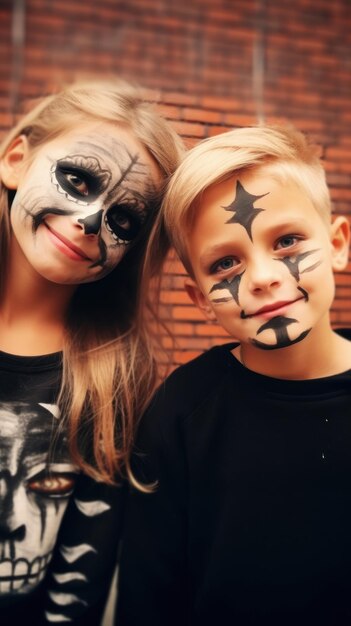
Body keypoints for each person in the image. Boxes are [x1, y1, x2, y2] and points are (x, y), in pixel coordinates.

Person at [116, 125, 351, 626]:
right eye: (225, 264)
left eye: (287, 240)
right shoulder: (178, 415)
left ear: (338, 244)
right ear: (200, 299)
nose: (263, 277)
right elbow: (150, 597)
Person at [0, 79, 184, 625]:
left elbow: (81, 578)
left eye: (123, 218)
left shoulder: (113, 377)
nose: (88, 220)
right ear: (15, 159)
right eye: (76, 178)